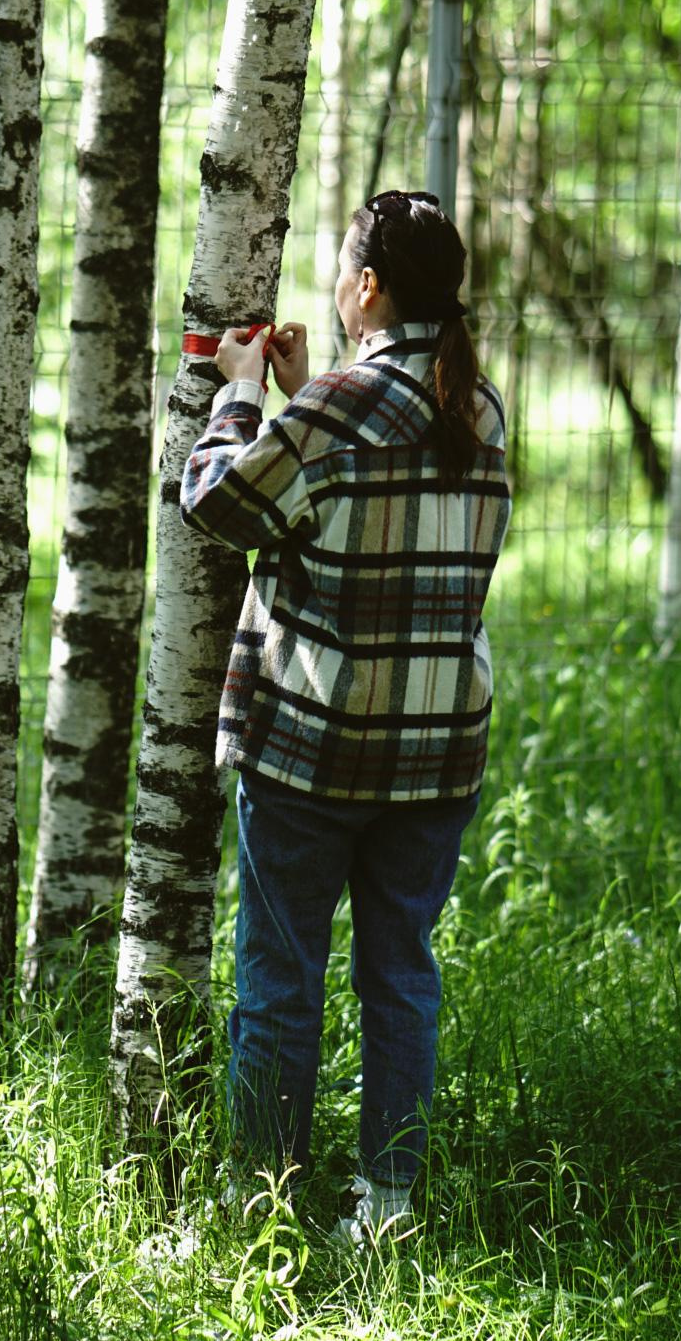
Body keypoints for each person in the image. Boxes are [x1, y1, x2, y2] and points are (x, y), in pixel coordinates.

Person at [179, 190, 511, 1241]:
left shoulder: (333, 410)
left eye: (339, 268)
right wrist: (301, 398)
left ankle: (262, 1200)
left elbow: (217, 502)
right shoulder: (480, 406)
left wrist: (244, 396)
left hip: (314, 747)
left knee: (281, 978)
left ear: (368, 286)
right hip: (436, 750)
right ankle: (389, 1203)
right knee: (401, 976)